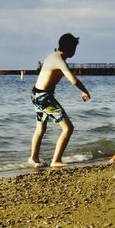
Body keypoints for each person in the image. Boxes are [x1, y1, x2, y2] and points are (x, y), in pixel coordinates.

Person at [28, 33, 91, 168]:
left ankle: (34, 159)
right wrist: (85, 91)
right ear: (71, 48)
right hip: (44, 98)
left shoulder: (53, 56)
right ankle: (56, 160)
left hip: (36, 95)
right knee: (68, 128)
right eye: (75, 48)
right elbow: (73, 80)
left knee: (41, 128)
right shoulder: (59, 60)